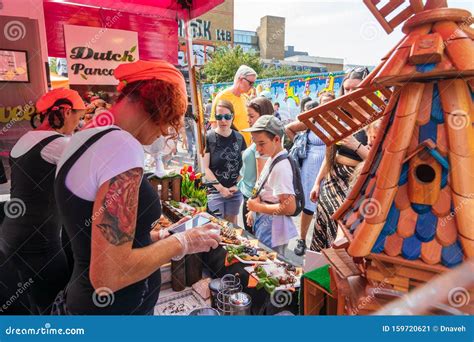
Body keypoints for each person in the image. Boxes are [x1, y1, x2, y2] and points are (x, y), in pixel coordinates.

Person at [53, 60, 220, 315]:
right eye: (168, 119)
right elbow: (108, 275)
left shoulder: (81, 139)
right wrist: (183, 242)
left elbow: (92, 234)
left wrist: (154, 239)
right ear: (157, 104)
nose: (165, 131)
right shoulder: (121, 146)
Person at [0, 88, 85, 314]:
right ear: (66, 112)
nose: (79, 123)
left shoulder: (26, 138)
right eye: (79, 116)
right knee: (56, 305)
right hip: (39, 243)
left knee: (31, 304)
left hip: (11, 235)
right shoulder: (60, 144)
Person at [309, 68, 370, 252]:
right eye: (347, 89)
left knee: (341, 233)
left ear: (366, 89)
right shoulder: (340, 117)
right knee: (322, 229)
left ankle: (337, 273)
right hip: (331, 181)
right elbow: (330, 155)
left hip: (353, 184)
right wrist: (317, 183)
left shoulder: (374, 119)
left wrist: (355, 145)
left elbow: (378, 158)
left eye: (355, 89)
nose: (350, 93)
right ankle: (318, 274)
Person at [285, 93, 335, 256]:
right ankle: (301, 239)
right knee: (308, 205)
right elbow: (289, 128)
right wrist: (299, 143)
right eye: (323, 103)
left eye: (329, 102)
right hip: (309, 168)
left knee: (327, 205)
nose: (326, 105)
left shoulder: (338, 122)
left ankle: (324, 244)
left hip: (328, 166)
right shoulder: (312, 120)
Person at [244, 115, 298, 256]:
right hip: (266, 222)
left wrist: (257, 207)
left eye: (262, 143)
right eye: (255, 143)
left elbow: (289, 207)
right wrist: (254, 210)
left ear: (276, 139)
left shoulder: (281, 167)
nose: (258, 148)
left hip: (273, 229)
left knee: (269, 267)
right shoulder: (273, 157)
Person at [204, 100, 247, 225]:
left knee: (232, 229)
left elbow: (245, 166)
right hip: (214, 191)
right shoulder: (208, 138)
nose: (223, 120)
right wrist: (221, 189)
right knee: (215, 227)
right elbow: (205, 168)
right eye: (219, 116)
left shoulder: (239, 138)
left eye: (227, 117)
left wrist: (237, 185)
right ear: (215, 117)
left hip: (235, 192)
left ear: (232, 116)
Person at [238, 97, 274, 232]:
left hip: (254, 199)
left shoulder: (263, 143)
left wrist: (254, 206)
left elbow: (261, 179)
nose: (248, 119)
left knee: (254, 244)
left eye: (251, 116)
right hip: (249, 196)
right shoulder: (260, 138)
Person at [210, 65, 257, 146]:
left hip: (245, 148)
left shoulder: (245, 97)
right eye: (250, 83)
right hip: (231, 149)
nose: (252, 86)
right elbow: (214, 125)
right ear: (241, 79)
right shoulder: (223, 97)